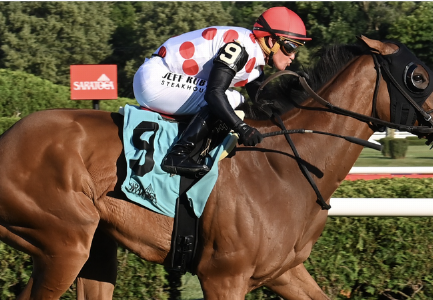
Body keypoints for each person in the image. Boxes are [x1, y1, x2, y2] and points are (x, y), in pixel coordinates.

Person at [133, 6, 312, 178]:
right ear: (271, 41)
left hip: (161, 78)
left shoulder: (256, 60)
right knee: (232, 98)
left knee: (236, 100)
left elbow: (264, 102)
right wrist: (242, 128)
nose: (293, 56)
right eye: (290, 47)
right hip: (155, 79)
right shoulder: (241, 48)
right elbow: (214, 94)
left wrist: (298, 95)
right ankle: (178, 154)